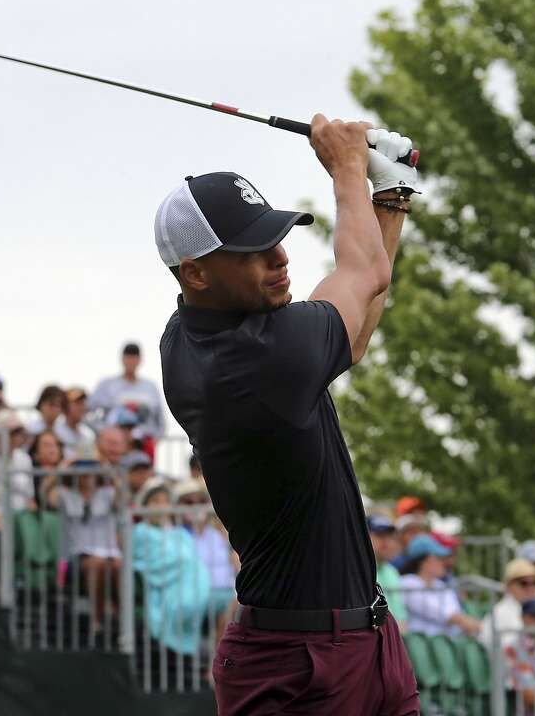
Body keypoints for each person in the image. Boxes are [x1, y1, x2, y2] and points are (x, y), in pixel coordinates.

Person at [157, 121, 422, 713]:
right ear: (195, 272)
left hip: (365, 642)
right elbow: (365, 275)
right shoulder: (260, 357)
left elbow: (351, 334)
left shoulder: (197, 336)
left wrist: (389, 198)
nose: (279, 258)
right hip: (296, 667)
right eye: (252, 251)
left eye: (276, 237)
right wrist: (348, 168)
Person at [132, 481, 212, 657]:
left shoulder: (180, 533)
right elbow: (153, 562)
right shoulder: (140, 531)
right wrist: (181, 562)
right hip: (166, 588)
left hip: (195, 587)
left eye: (165, 501)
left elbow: (193, 560)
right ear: (145, 506)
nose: (161, 506)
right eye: (155, 501)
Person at [49, 454, 122, 633]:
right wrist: (62, 466)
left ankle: (122, 619)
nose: (87, 476)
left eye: (91, 471)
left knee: (118, 566)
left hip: (109, 552)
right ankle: (95, 620)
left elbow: (125, 494)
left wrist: (108, 469)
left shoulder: (108, 493)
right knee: (96, 564)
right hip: (76, 554)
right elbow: (45, 495)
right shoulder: (65, 495)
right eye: (82, 472)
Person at [175, 478, 237, 640]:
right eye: (188, 502)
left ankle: (214, 659)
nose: (195, 506)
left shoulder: (218, 535)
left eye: (200, 500)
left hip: (227, 592)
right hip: (196, 595)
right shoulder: (176, 536)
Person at [398, 534, 480, 637]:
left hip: (446, 644)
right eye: (438, 558)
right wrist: (468, 623)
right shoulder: (406, 583)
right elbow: (440, 613)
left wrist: (469, 624)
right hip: (420, 647)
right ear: (423, 562)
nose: (443, 562)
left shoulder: (441, 585)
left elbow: (455, 613)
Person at [89, 342, 164, 440]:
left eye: (134, 357)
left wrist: (156, 438)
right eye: (128, 357)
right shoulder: (107, 385)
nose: (131, 361)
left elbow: (160, 419)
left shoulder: (150, 387)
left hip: (142, 444)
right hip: (114, 444)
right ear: (122, 359)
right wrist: (102, 431)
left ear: (139, 360)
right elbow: (88, 410)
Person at [480, 558, 535, 648]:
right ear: (509, 586)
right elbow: (505, 652)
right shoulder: (499, 613)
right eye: (524, 583)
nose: (531, 588)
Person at [368, 514, 408, 630]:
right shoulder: (357, 572)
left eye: (389, 536)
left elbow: (401, 616)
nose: (387, 542)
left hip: (394, 635)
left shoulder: (392, 571)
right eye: (380, 535)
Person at [53, 387, 97, 459]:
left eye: (82, 403)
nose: (81, 407)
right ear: (65, 406)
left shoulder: (88, 434)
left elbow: (90, 459)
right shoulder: (55, 431)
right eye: (77, 403)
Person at [27, 429, 64, 510]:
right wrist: (60, 470)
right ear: (36, 453)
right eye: (46, 445)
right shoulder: (32, 473)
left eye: (56, 445)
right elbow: (41, 496)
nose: (52, 449)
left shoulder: (70, 472)